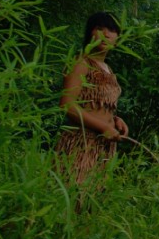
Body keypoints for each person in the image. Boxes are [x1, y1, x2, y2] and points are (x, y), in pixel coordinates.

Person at [55, 11, 129, 184]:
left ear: (117, 38)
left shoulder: (109, 71)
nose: (106, 34)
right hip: (80, 143)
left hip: (103, 147)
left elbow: (96, 104)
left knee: (92, 201)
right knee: (73, 194)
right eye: (100, 28)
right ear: (90, 33)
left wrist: (115, 119)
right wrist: (103, 126)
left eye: (112, 30)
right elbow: (67, 105)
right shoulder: (81, 63)